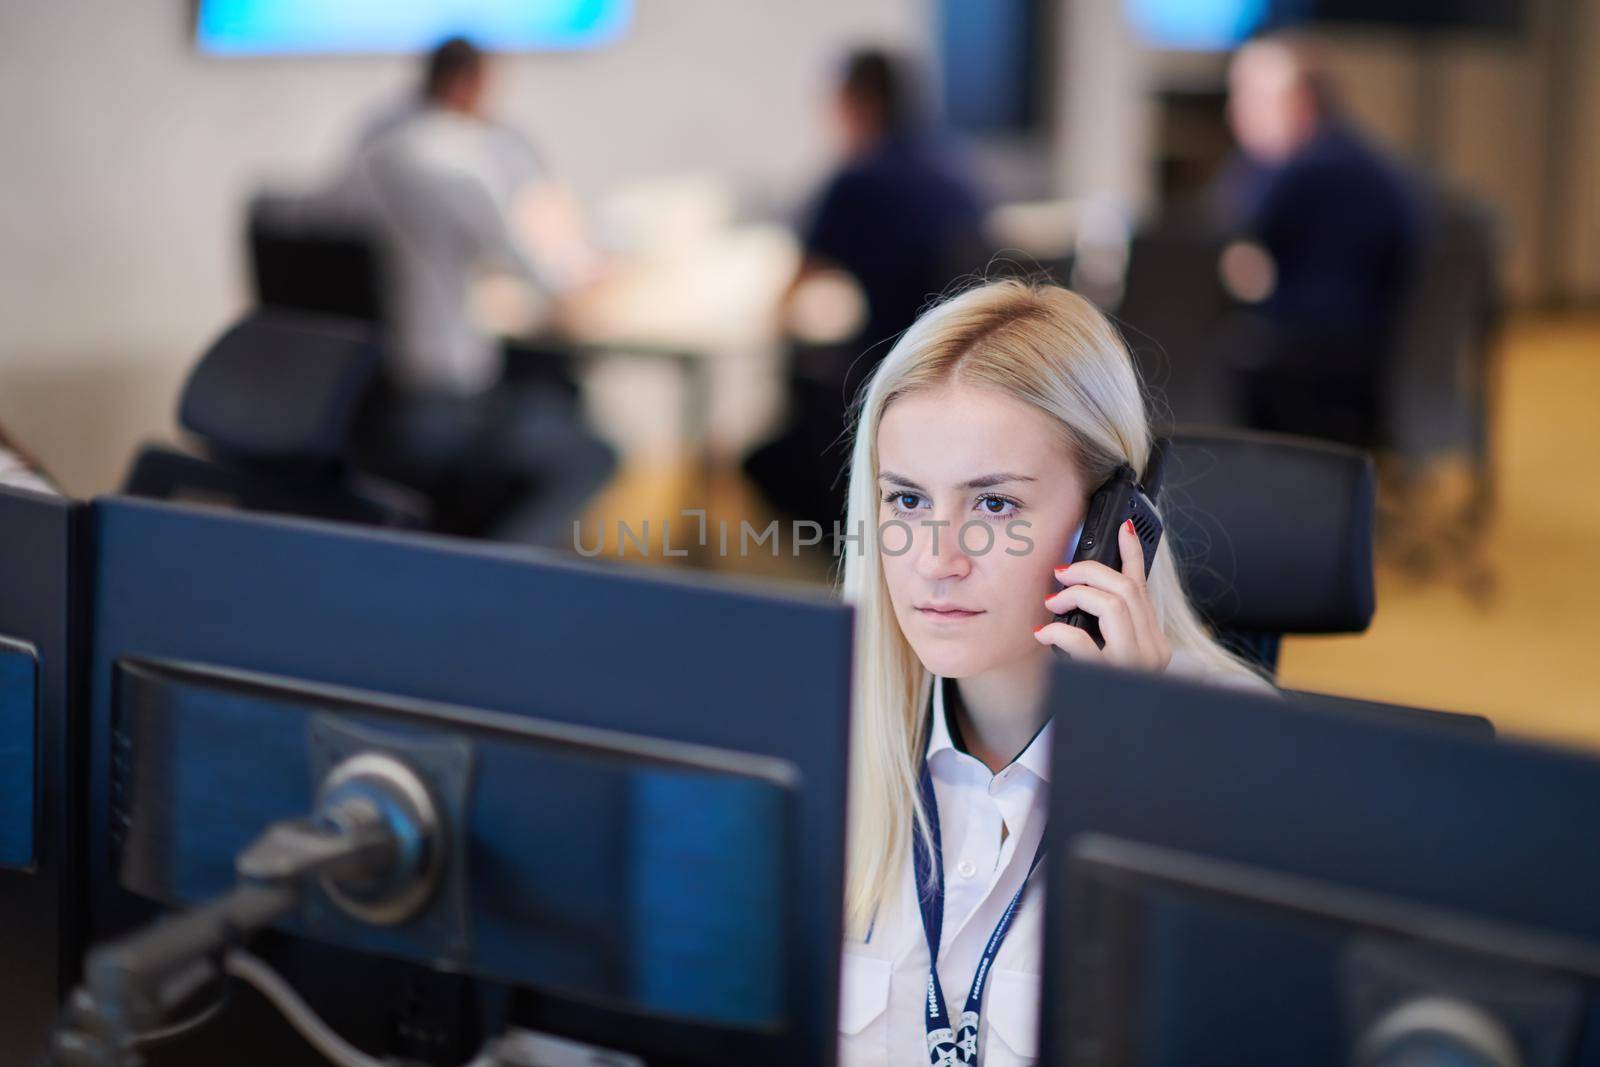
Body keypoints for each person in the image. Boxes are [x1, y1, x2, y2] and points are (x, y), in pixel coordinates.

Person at [834, 280, 1272, 1066]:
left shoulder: (1239, 758)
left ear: (1112, 522)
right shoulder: (827, 737)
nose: (936, 560)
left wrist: (1138, 772)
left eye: (994, 506)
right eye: (906, 499)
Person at [328, 37, 614, 546]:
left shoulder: (361, 161)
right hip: (443, 402)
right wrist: (590, 277)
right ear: (471, 84)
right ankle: (505, 572)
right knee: (592, 452)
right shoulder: (458, 163)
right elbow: (538, 272)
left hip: (361, 397)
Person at [745, 48, 987, 532]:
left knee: (760, 461)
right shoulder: (960, 176)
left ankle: (846, 571)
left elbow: (792, 293)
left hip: (878, 392)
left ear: (859, 104)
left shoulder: (857, 182)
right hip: (960, 386)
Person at [1216, 33, 1421, 449]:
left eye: (1252, 98)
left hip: (1306, 374)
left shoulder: (1301, 176)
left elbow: (1234, 263)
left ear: (1300, 103)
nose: (1235, 112)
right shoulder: (1381, 168)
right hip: (1366, 366)